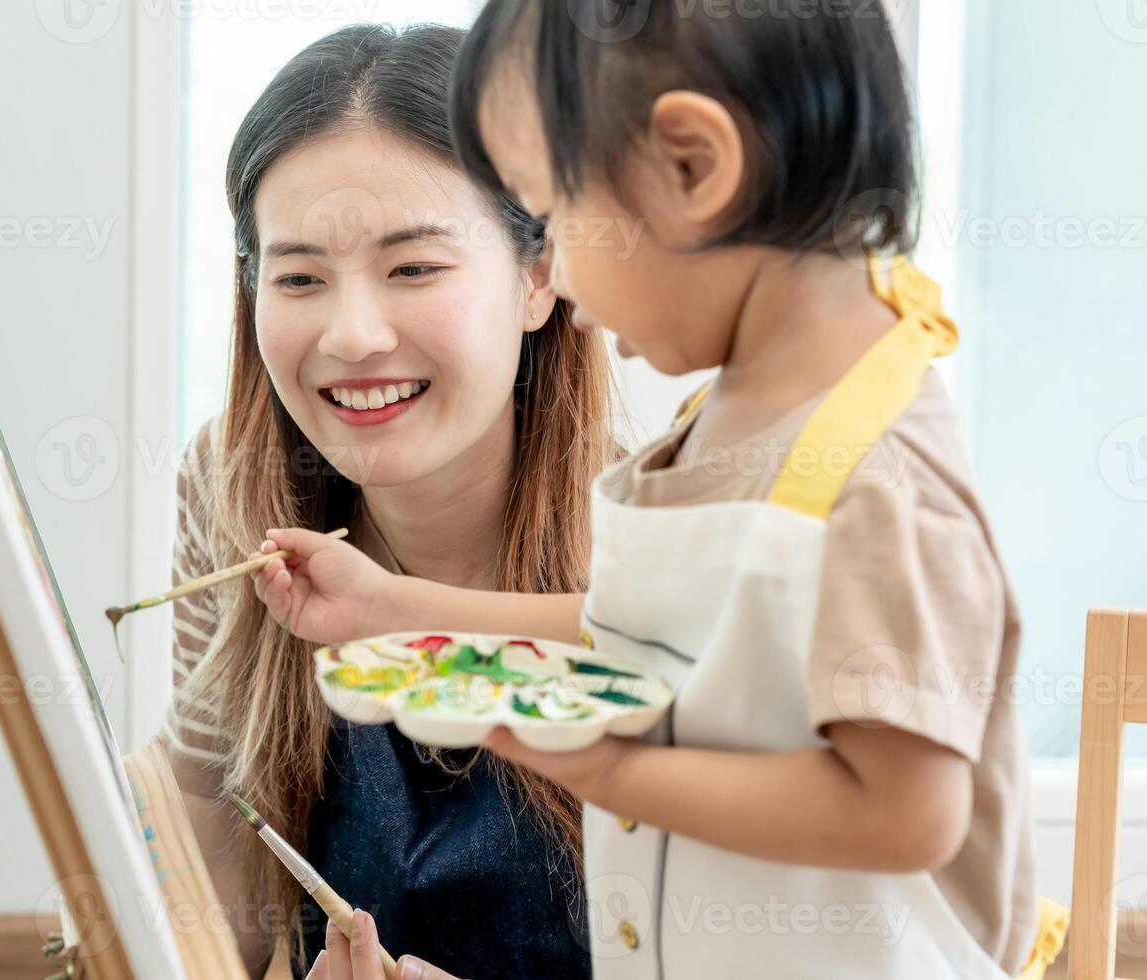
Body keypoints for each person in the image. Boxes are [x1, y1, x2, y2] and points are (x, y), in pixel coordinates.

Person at [257, 2, 1055, 976]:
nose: (557, 280)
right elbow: (664, 636)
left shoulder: (874, 478)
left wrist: (612, 766)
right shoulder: (739, 416)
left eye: (551, 214)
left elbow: (908, 809)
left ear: (692, 165)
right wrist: (398, 606)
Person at [165, 22, 620, 980]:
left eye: (414, 268)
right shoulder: (229, 493)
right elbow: (209, 837)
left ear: (540, 275)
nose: (354, 334)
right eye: (298, 278)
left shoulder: (656, 533)